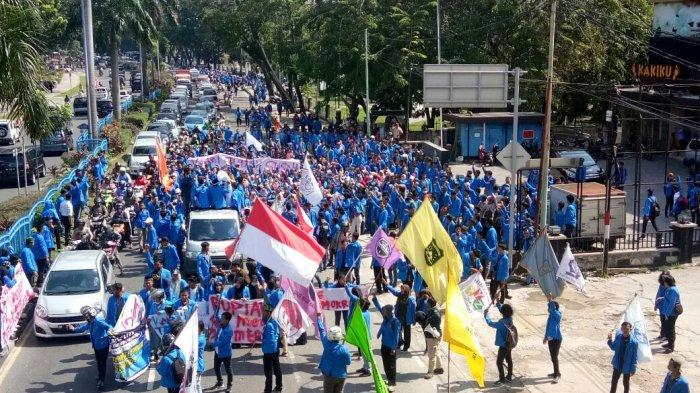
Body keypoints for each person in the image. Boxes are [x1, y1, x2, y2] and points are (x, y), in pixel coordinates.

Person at [68, 306, 113, 390]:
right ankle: (100, 375)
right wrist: (74, 329)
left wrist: (110, 332)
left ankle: (101, 381)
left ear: (90, 315)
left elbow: (109, 326)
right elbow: (83, 328)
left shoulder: (98, 321)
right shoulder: (91, 322)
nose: (85, 317)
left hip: (103, 345)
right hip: (96, 346)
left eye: (85, 315)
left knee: (102, 363)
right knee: (99, 362)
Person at [372, 295, 401, 391]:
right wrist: (374, 298)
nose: (382, 312)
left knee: (391, 365)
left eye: (384, 311)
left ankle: (392, 383)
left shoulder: (395, 322)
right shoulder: (386, 318)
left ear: (388, 311)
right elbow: (379, 307)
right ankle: (389, 379)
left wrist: (393, 348)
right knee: (385, 364)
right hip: (383, 345)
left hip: (391, 347)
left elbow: (397, 336)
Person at [316, 316, 351, 393]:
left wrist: (318, 319)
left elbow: (322, 331)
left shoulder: (326, 343)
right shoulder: (345, 349)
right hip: (341, 376)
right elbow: (348, 362)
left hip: (329, 375)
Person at [484, 303, 514, 385]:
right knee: (509, 359)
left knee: (499, 362)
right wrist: (498, 304)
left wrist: (486, 315)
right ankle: (509, 376)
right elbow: (504, 311)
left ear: (502, 313)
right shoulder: (510, 319)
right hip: (509, 343)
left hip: (503, 345)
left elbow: (490, 323)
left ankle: (502, 378)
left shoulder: (501, 323)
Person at [415, 298, 444, 379]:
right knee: (436, 351)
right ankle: (439, 368)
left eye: (427, 303)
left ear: (430, 304)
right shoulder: (433, 311)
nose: (426, 304)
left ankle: (430, 372)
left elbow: (430, 324)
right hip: (433, 335)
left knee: (431, 355)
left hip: (432, 336)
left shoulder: (434, 314)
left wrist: (425, 323)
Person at [608, 321, 638, 393]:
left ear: (630, 329)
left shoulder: (634, 343)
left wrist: (633, 368)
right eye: (623, 328)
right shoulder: (618, 337)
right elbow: (613, 347)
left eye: (627, 329)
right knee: (614, 382)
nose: (625, 330)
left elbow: (634, 357)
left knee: (626, 384)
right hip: (617, 364)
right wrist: (610, 340)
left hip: (627, 366)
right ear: (621, 329)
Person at [386, 282, 416, 351]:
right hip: (399, 317)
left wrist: (414, 320)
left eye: (403, 289)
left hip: (406, 319)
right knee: (398, 331)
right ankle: (400, 342)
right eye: (401, 289)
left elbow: (413, 310)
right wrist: (387, 285)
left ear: (406, 290)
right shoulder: (400, 295)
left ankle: (406, 346)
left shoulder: (411, 299)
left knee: (407, 333)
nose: (401, 291)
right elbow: (394, 291)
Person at [657, 274, 681, 353]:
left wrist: (667, 314)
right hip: (668, 313)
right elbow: (668, 298)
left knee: (671, 330)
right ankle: (669, 343)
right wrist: (661, 298)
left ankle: (671, 347)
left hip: (671, 314)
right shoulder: (669, 289)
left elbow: (671, 303)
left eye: (664, 282)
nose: (663, 283)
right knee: (667, 328)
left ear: (667, 282)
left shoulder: (672, 290)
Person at [262, 305, 283, 392]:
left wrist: (261, 335)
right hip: (275, 350)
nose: (263, 313)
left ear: (268, 312)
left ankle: (268, 390)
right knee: (277, 369)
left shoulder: (268, 325)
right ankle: (279, 387)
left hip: (268, 351)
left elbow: (268, 338)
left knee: (268, 373)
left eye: (264, 311)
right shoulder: (275, 321)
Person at [212, 311, 234, 391]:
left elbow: (222, 342)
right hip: (217, 352)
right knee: (216, 367)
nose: (220, 319)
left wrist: (213, 344)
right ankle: (220, 382)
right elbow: (216, 315)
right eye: (221, 317)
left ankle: (229, 385)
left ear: (227, 320)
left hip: (225, 353)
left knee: (228, 369)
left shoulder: (229, 330)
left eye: (222, 318)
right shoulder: (221, 325)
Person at [543, 293, 562, 382]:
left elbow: (553, 310)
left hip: (557, 339)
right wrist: (545, 337)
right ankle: (556, 372)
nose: (548, 309)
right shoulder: (551, 316)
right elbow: (548, 327)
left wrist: (550, 300)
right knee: (553, 357)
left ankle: (557, 374)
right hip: (551, 338)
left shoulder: (557, 314)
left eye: (550, 307)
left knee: (554, 357)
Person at [195, 320, 206, 393]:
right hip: (198, 364)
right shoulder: (200, 336)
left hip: (198, 365)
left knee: (197, 384)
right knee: (197, 384)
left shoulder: (199, 339)